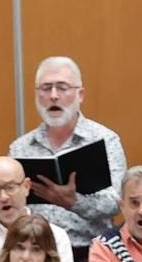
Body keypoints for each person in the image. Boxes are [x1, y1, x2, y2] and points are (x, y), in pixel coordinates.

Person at [10, 56, 127, 250]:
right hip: (36, 253)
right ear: (37, 94)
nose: (53, 96)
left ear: (80, 94)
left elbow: (116, 203)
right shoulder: (20, 148)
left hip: (90, 251)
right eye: (46, 88)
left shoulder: (105, 140)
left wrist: (75, 202)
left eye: (62, 88)